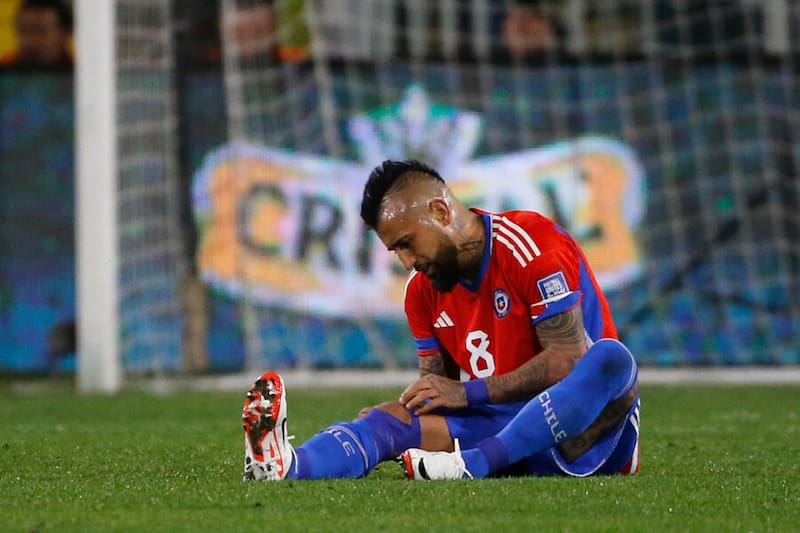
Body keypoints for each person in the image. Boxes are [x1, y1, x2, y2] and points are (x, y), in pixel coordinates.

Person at [242, 159, 640, 481]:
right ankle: (285, 466)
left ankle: (476, 464)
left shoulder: (531, 245)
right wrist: (402, 414)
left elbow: (567, 361)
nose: (407, 262)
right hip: (502, 430)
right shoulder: (421, 292)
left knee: (612, 360)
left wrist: (468, 394)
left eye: (407, 244)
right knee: (389, 421)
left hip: (585, 438)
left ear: (440, 211)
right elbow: (439, 393)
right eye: (396, 251)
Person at [0, 0, 73, 68]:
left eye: (41, 31)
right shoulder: (5, 67)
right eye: (23, 31)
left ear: (66, 33)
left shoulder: (79, 68)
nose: (30, 40)